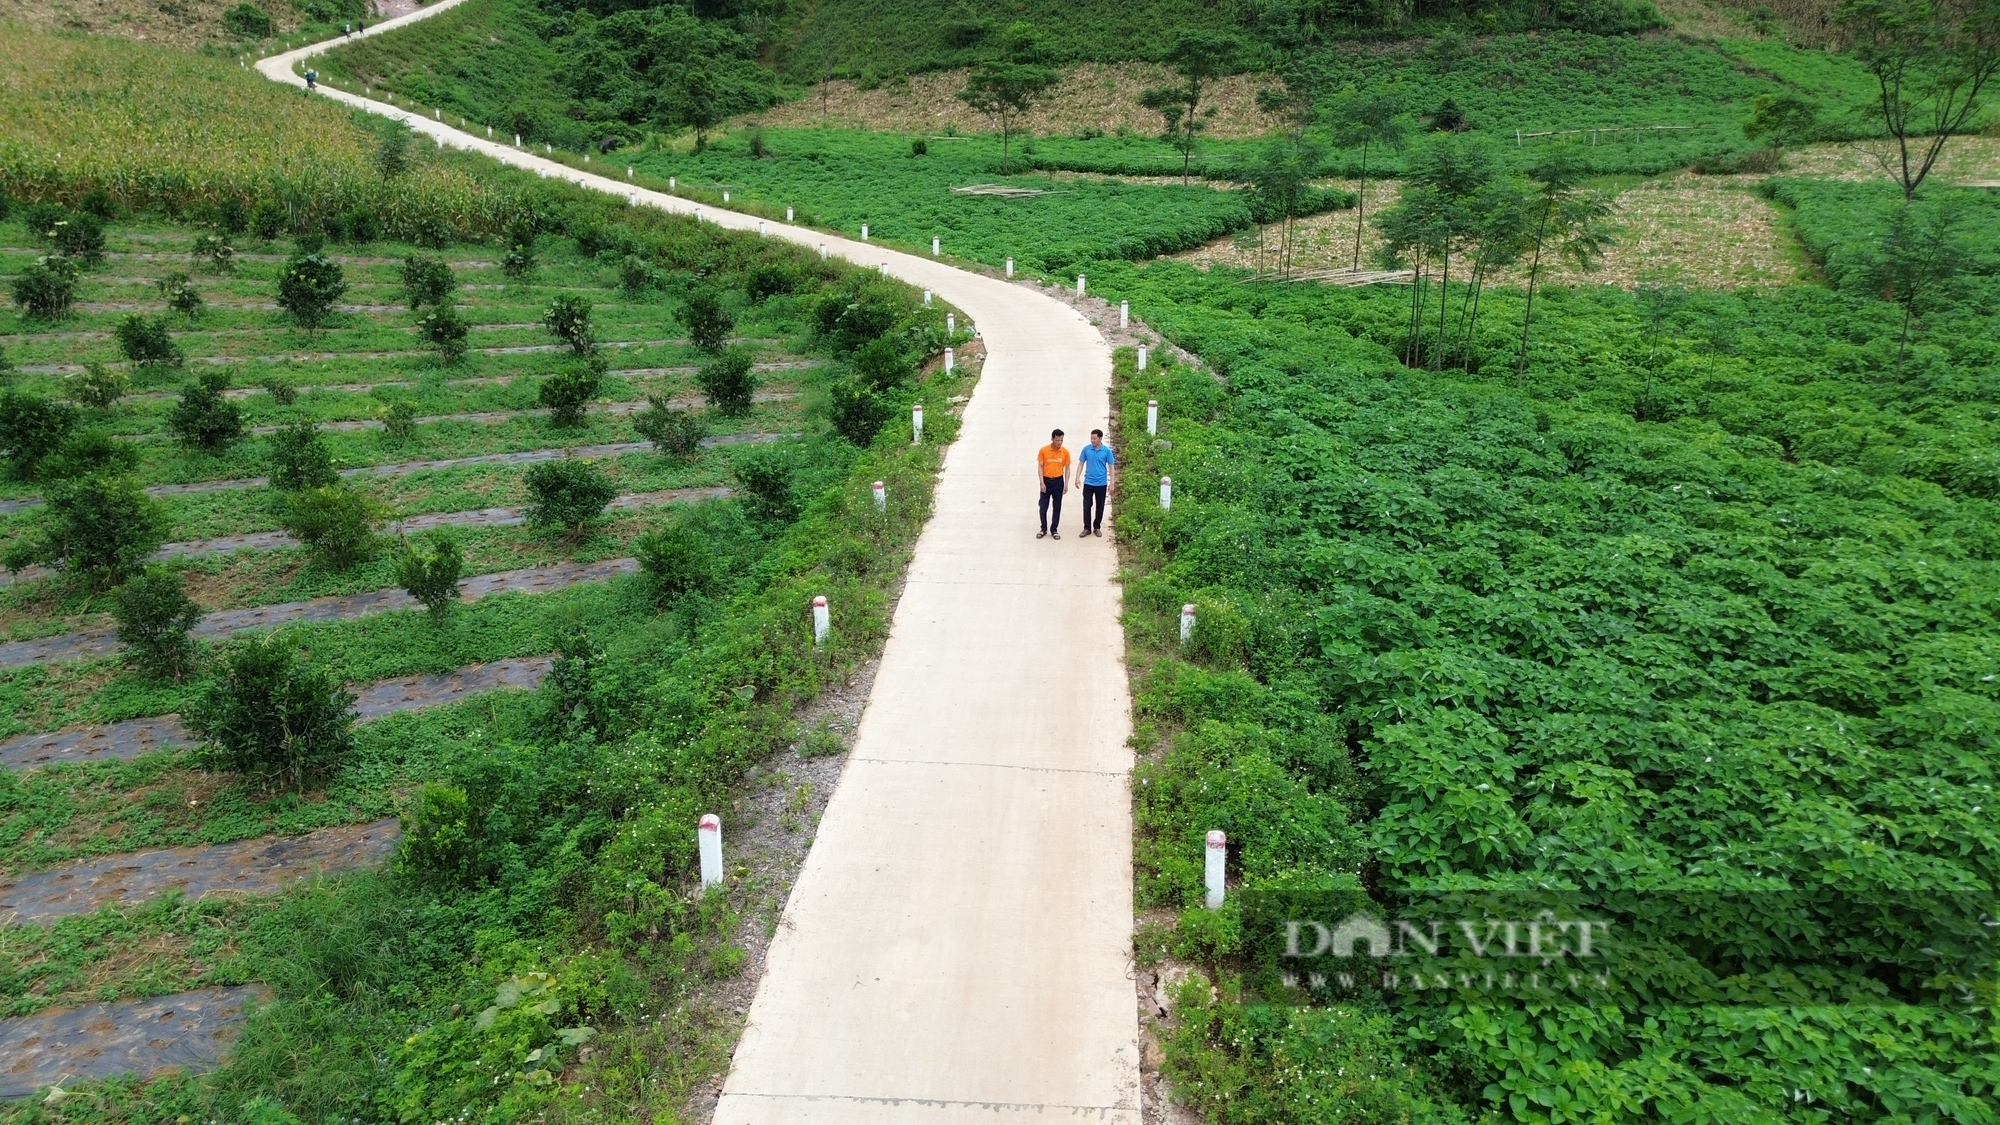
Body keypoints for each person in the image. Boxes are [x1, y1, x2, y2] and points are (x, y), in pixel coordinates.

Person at [1076, 428, 1115, 537]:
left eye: (1095, 438)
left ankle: (1097, 527)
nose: (1092, 441)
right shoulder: (1086, 449)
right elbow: (1081, 463)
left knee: (1100, 506)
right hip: (1088, 483)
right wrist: (1077, 477)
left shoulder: (1107, 451)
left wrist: (1112, 483)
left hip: (1101, 483)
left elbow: (1111, 467)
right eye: (1091, 438)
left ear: (1100, 438)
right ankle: (1087, 527)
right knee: (1087, 505)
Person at [1035, 429, 1070, 539]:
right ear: (1052, 439)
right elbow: (1040, 467)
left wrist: (1066, 484)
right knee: (1043, 506)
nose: (1059, 443)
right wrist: (1041, 482)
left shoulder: (1065, 452)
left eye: (1061, 440)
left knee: (1057, 506)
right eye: (1057, 440)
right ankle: (1043, 528)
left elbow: (1068, 468)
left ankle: (1054, 529)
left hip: (1058, 481)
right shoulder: (1044, 450)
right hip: (1046, 480)